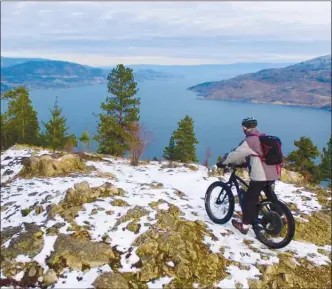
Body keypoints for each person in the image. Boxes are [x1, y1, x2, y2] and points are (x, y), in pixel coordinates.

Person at [216, 117, 282, 235]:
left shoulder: (250, 140)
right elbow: (256, 155)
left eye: (243, 127)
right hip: (274, 173)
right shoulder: (262, 137)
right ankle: (282, 216)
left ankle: (244, 226)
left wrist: (223, 162)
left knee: (249, 199)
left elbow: (235, 155)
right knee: (269, 192)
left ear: (244, 127)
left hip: (261, 175)